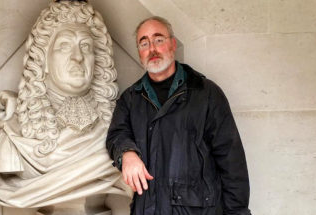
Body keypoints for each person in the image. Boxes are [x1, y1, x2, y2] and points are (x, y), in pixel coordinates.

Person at [0, 1, 131, 213]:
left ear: (98, 60)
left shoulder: (125, 127)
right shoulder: (10, 137)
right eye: (65, 45)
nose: (77, 57)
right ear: (44, 61)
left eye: (86, 46)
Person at [106, 16, 251, 215]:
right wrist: (127, 153)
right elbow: (116, 135)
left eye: (159, 40)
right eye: (144, 43)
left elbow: (231, 161)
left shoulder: (206, 93)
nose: (152, 49)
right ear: (140, 53)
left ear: (173, 44)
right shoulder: (130, 99)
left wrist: (238, 213)